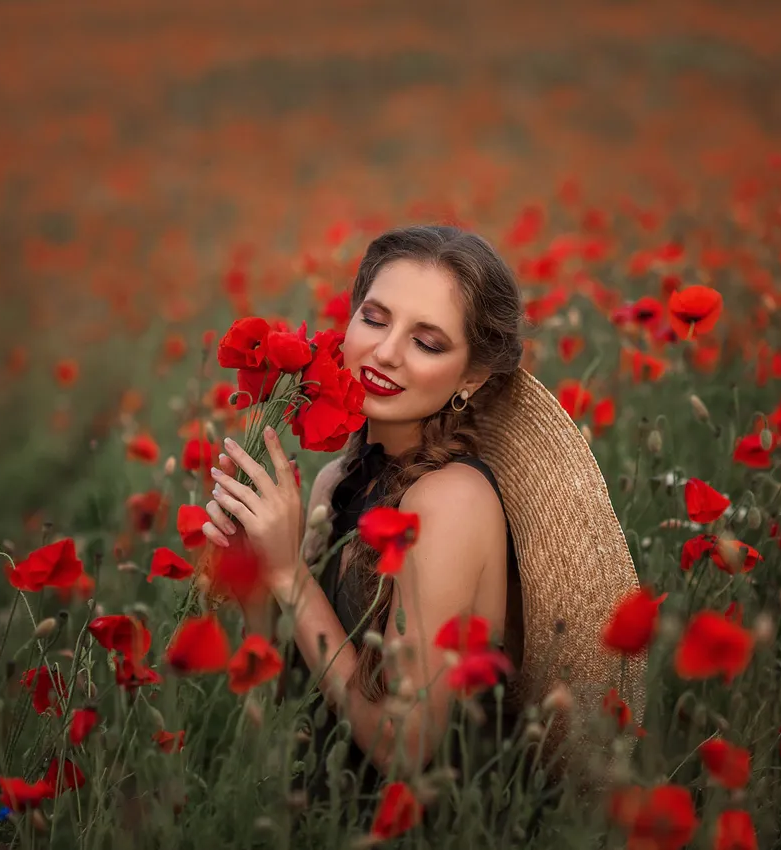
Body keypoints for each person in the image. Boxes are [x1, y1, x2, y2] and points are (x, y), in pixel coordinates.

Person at [200, 225, 644, 832]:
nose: (385, 353)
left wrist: (288, 570)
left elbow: (404, 748)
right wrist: (255, 566)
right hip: (319, 814)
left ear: (471, 379)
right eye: (375, 318)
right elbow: (293, 689)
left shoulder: (453, 501)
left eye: (428, 342)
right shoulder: (339, 478)